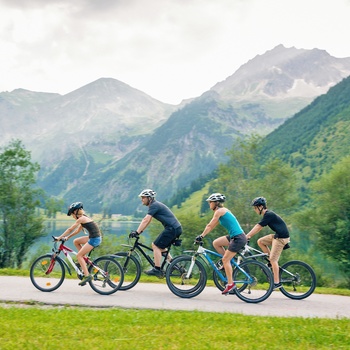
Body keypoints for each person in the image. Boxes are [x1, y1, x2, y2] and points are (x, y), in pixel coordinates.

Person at [195, 193, 246, 295]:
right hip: (234, 237)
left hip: (238, 238)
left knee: (225, 259)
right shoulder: (222, 211)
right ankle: (228, 262)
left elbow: (209, 225)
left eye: (210, 202)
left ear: (216, 203)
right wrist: (204, 234)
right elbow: (212, 226)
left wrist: (201, 236)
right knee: (216, 243)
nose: (209, 204)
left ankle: (231, 284)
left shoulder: (220, 211)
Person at [131, 189, 182, 277]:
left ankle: (157, 269)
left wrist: (137, 232)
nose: (141, 199)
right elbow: (148, 221)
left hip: (172, 228)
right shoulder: (155, 205)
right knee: (161, 248)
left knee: (155, 246)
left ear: (149, 198)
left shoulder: (154, 205)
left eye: (143, 197)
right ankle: (174, 265)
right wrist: (140, 231)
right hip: (175, 228)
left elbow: (146, 219)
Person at [246, 196, 290, 290]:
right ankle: (270, 261)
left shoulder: (268, 214)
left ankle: (277, 283)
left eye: (255, 207)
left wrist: (248, 236)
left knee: (274, 260)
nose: (255, 210)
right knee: (260, 241)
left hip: (281, 238)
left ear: (261, 207)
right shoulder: (267, 215)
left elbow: (258, 226)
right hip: (276, 236)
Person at [56, 202, 102, 286]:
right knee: (76, 241)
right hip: (94, 237)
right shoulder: (83, 218)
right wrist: (67, 238)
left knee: (78, 256)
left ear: (76, 212)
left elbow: (70, 229)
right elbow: (77, 231)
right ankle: (84, 260)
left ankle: (87, 276)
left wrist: (59, 237)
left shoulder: (81, 219)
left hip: (94, 239)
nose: (73, 216)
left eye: (72, 214)